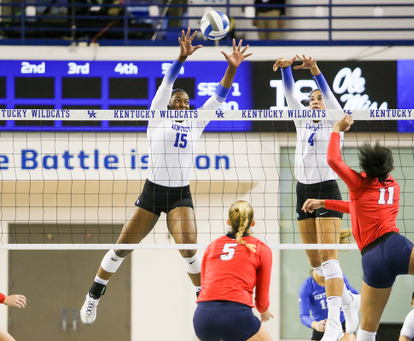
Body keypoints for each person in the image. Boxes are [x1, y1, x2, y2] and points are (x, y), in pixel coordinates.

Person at [80, 28, 252, 325]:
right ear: (169, 104)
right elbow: (167, 83)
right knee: (122, 246)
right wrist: (181, 57)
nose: (183, 104)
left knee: (188, 248)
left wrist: (231, 68)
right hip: (152, 192)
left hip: (179, 194)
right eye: (178, 101)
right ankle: (94, 294)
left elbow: (219, 96)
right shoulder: (157, 116)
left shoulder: (196, 121)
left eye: (187, 101)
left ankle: (204, 299)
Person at [301, 114, 414, 341]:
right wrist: (325, 203)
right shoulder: (393, 186)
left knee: (367, 329)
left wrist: (337, 128)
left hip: (372, 258)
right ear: (388, 168)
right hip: (396, 246)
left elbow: (333, 160)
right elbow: (358, 206)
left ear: (366, 166)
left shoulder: (358, 183)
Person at [273, 55, 360, 341]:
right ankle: (348, 299)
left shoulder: (334, 122)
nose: (314, 101)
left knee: (328, 257)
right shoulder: (301, 121)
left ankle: (336, 321)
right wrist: (286, 69)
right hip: (303, 190)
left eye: (319, 98)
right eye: (311, 98)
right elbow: (288, 93)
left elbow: (331, 99)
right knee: (315, 262)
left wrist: (313, 70)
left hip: (326, 190)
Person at [193, 200, 274, 341]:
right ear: (252, 223)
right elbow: (261, 297)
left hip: (204, 317)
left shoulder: (212, 246)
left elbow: (203, 283)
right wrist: (264, 311)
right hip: (236, 315)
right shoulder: (260, 248)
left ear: (228, 221)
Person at [299, 269, 359, 341]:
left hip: (342, 324)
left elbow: (355, 296)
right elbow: (304, 316)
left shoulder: (338, 278)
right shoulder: (307, 286)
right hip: (322, 327)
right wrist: (316, 325)